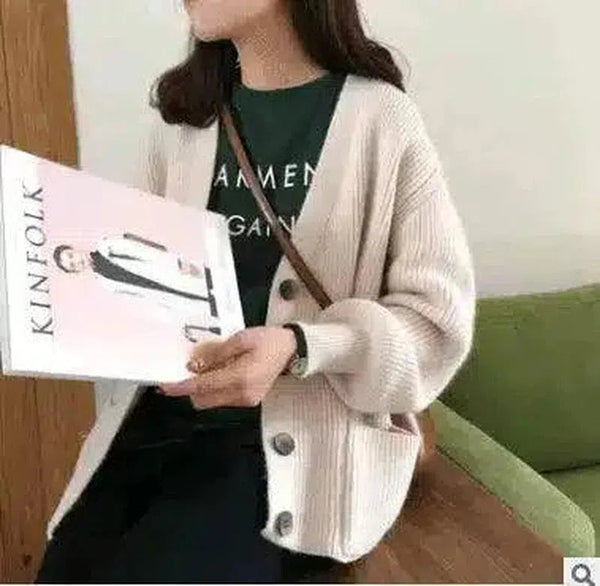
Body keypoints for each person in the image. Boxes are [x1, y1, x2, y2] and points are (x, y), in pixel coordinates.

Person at [36, 0, 476, 583]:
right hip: (157, 428)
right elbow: (140, 279)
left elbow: (435, 323)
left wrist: (299, 346)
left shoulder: (381, 120)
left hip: (292, 456)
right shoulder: (182, 122)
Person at [52, 234, 219, 328]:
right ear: (76, 272)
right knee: (212, 308)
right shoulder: (105, 283)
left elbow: (144, 251)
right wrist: (167, 312)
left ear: (74, 249)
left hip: (172, 272)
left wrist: (176, 263)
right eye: (72, 266)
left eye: (71, 256)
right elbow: (139, 297)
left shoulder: (107, 246)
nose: (76, 262)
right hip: (167, 295)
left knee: (214, 286)